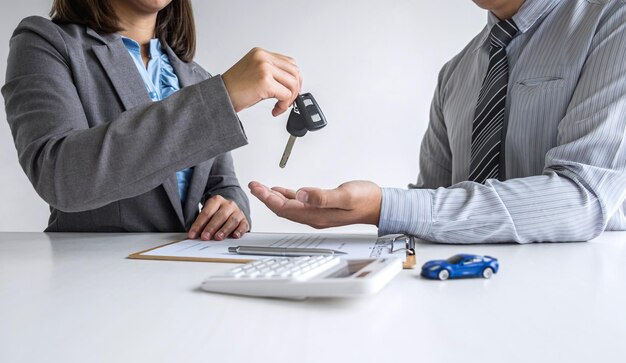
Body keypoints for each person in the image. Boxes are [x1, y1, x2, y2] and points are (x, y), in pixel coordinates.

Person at [250, 0, 626, 244]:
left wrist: (384, 207)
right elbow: (434, 204)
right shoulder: (455, 73)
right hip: (459, 300)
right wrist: (359, 211)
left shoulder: (613, 20)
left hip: (578, 307)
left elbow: (585, 198)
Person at [2, 0, 302, 241]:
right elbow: (60, 176)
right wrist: (221, 97)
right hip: (91, 283)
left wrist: (232, 209)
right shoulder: (45, 42)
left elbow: (223, 184)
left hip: (184, 278)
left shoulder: (194, 75)